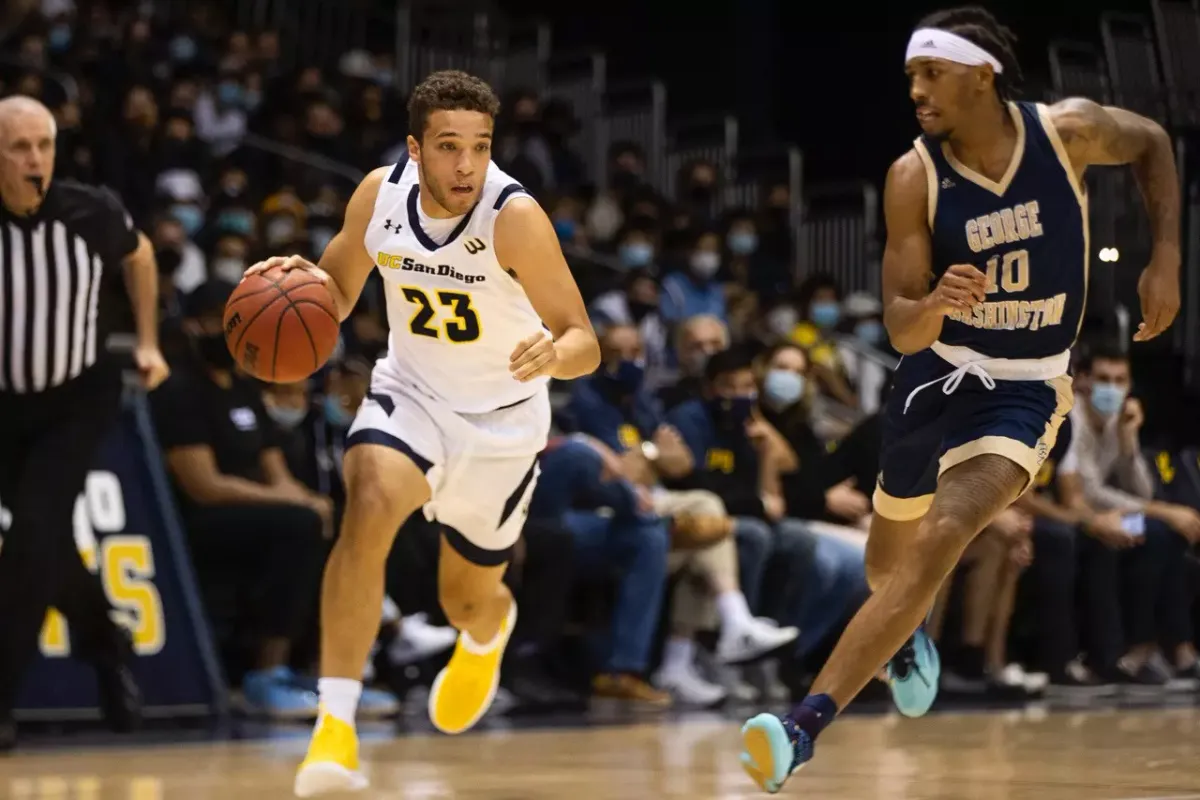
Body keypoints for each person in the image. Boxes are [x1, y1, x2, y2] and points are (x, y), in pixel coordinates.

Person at [739, 7, 1182, 793]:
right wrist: (937, 300)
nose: (914, 90)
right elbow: (903, 330)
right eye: (911, 75)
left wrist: (1166, 258)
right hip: (935, 377)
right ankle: (902, 638)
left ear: (981, 74)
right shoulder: (914, 176)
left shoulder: (1067, 135)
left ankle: (801, 728)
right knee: (887, 566)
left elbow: (1150, 139)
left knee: (946, 532)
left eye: (929, 73)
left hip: (1026, 387)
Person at [241, 70, 599, 797]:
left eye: (480, 146)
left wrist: (556, 354)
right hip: (413, 395)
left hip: (502, 424)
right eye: (448, 147)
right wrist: (297, 284)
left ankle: (488, 634)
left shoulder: (513, 216)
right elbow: (337, 293)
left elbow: (584, 338)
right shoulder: (378, 196)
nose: (467, 165)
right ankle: (333, 731)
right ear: (414, 149)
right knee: (368, 499)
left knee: (465, 601)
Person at [0, 96, 169, 749]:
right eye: (19, 147)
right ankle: (107, 646)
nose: (35, 159)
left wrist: (149, 340)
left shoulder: (89, 210)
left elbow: (142, 255)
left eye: (43, 144)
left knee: (31, 539)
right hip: (4, 405)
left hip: (76, 396)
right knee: (45, 548)